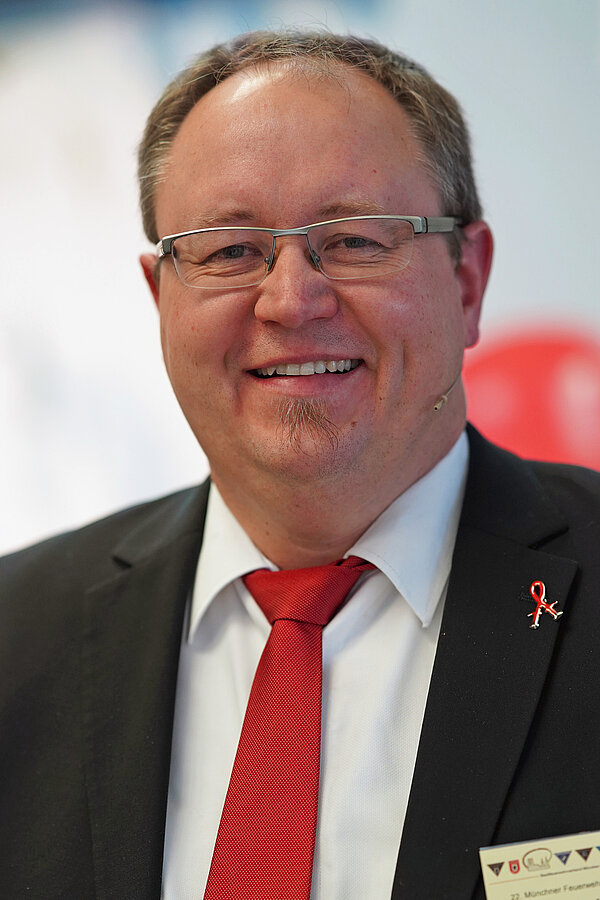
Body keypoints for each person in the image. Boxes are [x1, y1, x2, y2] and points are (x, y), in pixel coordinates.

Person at [1, 30, 599, 900]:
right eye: (229, 251)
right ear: (160, 299)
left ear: (468, 280)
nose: (290, 300)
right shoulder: (16, 639)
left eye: (354, 240)